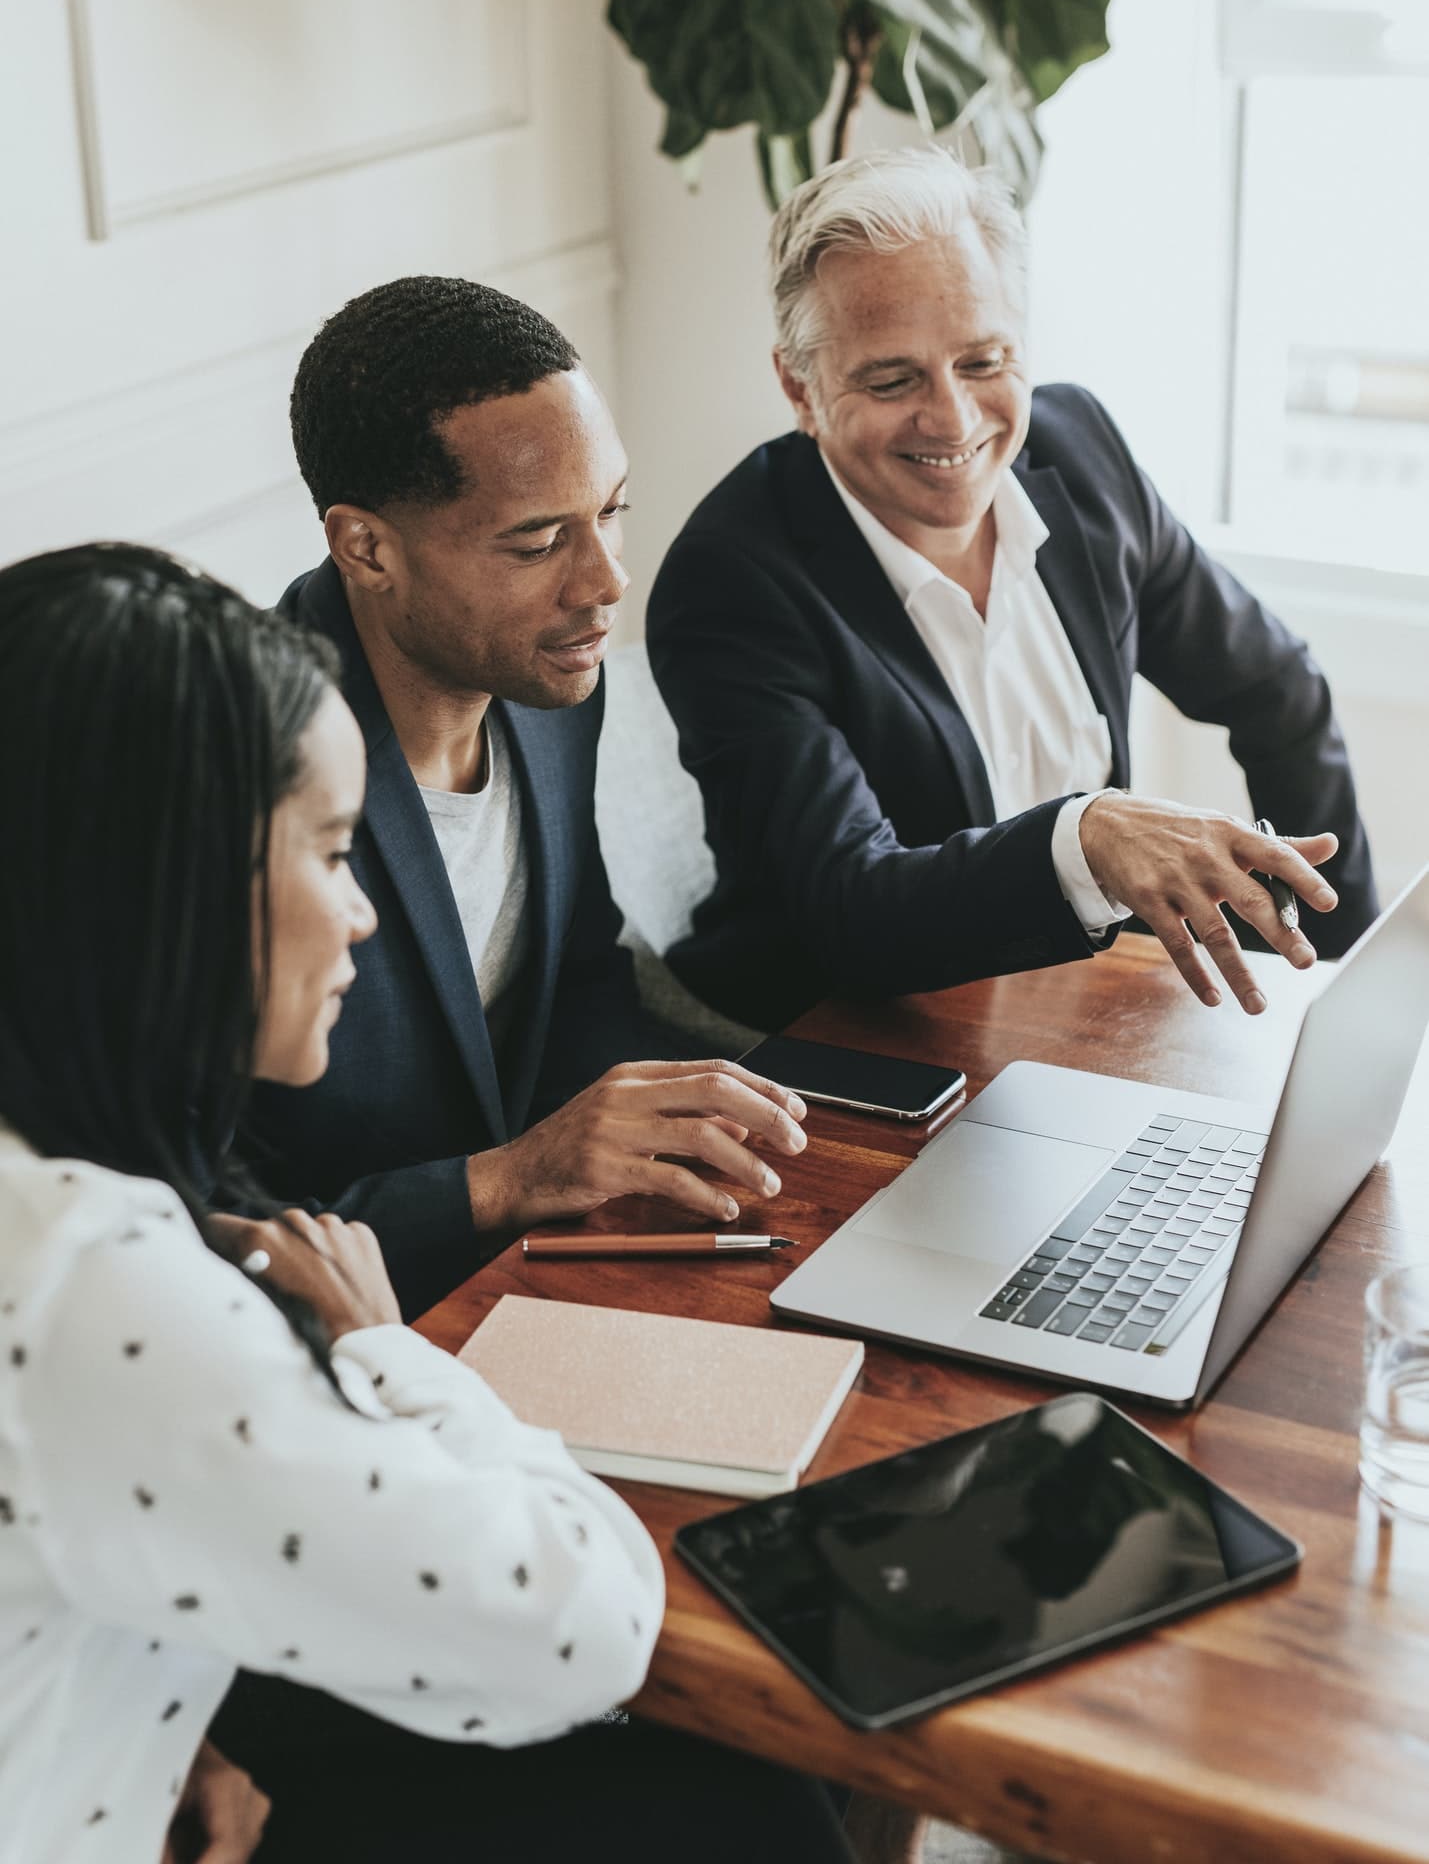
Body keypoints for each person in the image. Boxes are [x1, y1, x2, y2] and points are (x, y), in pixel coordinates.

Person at [0, 543, 856, 1864]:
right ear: (162, 879)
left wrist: (172, 1723)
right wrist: (382, 1350)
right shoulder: (100, 1286)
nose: (358, 917)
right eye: (330, 854)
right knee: (742, 1805)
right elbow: (588, 1627)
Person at [646, 146, 1377, 1031]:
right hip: (838, 1048)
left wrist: (1330, 986)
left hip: (1078, 1007)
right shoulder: (731, 582)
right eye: (891, 378)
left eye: (984, 362)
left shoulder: (1080, 450)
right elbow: (851, 913)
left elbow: (1277, 691)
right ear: (799, 388)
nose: (953, 420)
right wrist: (1085, 838)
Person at [244, 278, 808, 1320]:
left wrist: (671, 1130)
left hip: (551, 1278)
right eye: (538, 541)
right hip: (349, 1338)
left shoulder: (548, 688)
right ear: (365, 546)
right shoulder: (234, 773)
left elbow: (579, 979)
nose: (603, 581)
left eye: (610, 513)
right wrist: (507, 1178)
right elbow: (197, 1216)